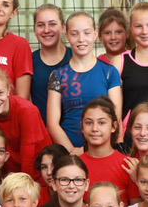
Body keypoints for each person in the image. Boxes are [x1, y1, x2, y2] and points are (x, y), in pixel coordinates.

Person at [46, 12, 121, 151]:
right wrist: (72, 151)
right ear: (67, 35)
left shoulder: (109, 72)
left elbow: (116, 117)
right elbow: (52, 124)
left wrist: (108, 150)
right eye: (74, 34)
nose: (81, 39)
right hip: (69, 149)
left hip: (102, 149)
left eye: (86, 33)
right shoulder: (58, 75)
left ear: (95, 34)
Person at [0, 66, 50, 176]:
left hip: (35, 173)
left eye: (0, 93)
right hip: (3, 173)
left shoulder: (27, 111)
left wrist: (22, 186)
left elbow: (28, 160)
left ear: (8, 90)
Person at [77, 98, 131, 194]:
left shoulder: (127, 166)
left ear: (114, 126)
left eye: (101, 123)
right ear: (82, 127)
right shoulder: (74, 165)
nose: (94, 128)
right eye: (89, 123)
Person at [29, 3, 70, 120]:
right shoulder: (29, 61)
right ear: (34, 30)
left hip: (74, 132)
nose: (46, 30)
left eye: (52, 24)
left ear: (63, 27)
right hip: (41, 132)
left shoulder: (75, 57)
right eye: (40, 25)